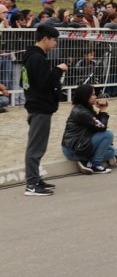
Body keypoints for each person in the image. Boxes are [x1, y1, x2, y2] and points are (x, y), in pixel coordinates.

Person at [22, 24, 68, 196]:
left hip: (36, 105)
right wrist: (58, 70)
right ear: (45, 39)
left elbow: (25, 83)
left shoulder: (31, 57)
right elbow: (44, 83)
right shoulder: (37, 58)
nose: (55, 44)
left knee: (38, 146)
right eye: (54, 40)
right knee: (35, 148)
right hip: (39, 107)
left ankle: (35, 178)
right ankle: (32, 184)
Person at [61, 84, 117, 174]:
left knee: (112, 151)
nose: (95, 97)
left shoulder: (84, 108)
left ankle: (85, 162)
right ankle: (95, 164)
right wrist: (103, 110)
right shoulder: (82, 112)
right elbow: (102, 127)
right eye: (93, 95)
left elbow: (96, 126)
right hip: (74, 149)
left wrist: (100, 110)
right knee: (108, 134)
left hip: (79, 144)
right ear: (85, 96)